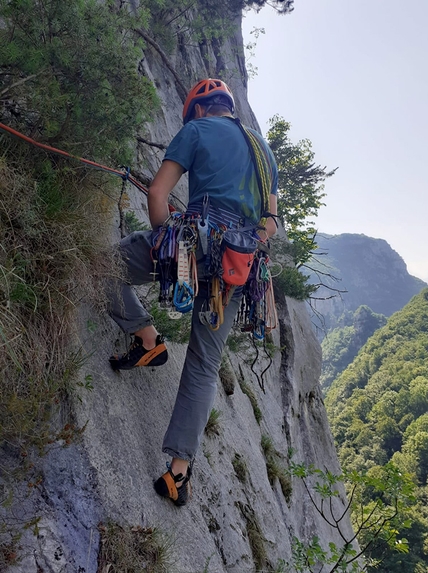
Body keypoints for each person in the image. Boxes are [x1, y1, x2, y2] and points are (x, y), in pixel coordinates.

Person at [107, 78, 278, 506]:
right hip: (238, 270)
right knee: (204, 365)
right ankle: (178, 475)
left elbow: (159, 192)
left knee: (104, 268)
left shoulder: (197, 130)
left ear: (200, 109)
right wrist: (243, 240)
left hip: (194, 249)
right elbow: (271, 224)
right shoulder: (264, 153)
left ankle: (147, 339)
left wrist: (169, 242)